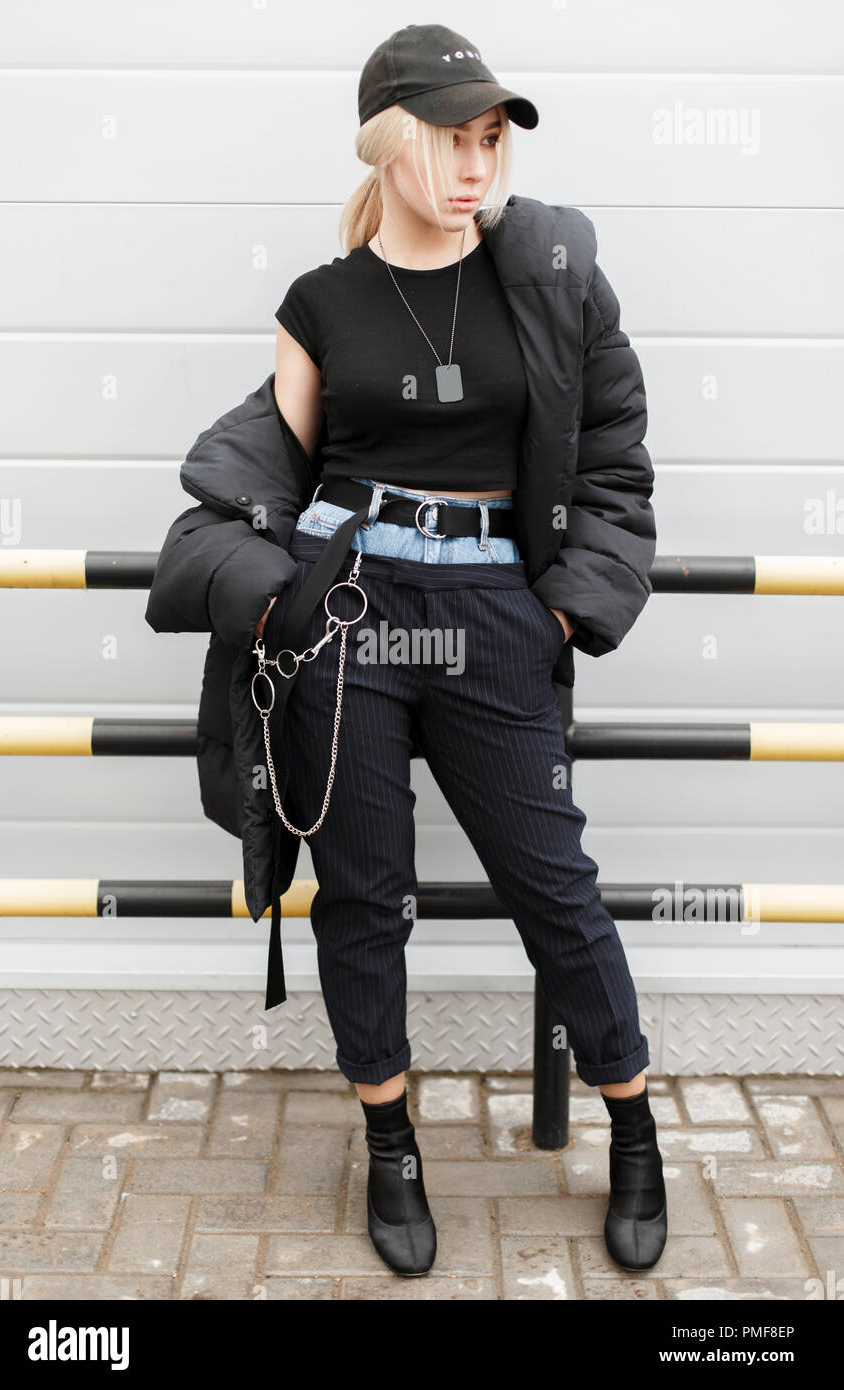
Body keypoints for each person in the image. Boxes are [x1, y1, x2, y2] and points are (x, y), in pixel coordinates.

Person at [259, 23, 666, 1278]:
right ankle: (391, 1145)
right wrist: (270, 598)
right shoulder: (319, 301)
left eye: (492, 138)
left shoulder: (547, 276)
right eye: (454, 137)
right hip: (351, 618)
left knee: (555, 885)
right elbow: (277, 477)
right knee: (363, 900)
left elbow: (612, 456)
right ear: (391, 143)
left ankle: (634, 1126)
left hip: (495, 618)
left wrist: (554, 615)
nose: (477, 164)